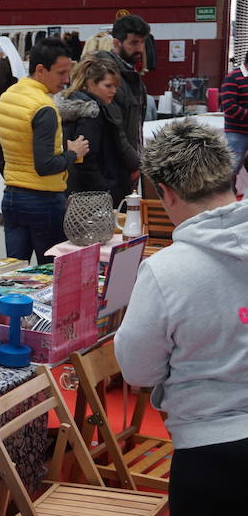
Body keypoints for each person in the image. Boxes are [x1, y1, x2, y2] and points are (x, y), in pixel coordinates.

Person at [114, 119, 248, 516]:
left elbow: (137, 370)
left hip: (213, 452)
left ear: (167, 194)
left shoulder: (167, 270)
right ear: (232, 178)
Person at [0, 38, 90, 264]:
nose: (66, 80)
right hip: (44, 201)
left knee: (14, 273)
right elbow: (45, 166)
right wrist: (73, 153)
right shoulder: (44, 108)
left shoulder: (7, 97)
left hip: (12, 198)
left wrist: (17, 181)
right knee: (48, 274)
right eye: (61, 73)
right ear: (40, 69)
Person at [54, 55, 131, 205]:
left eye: (115, 86)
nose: (114, 91)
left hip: (76, 189)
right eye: (108, 86)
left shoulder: (73, 107)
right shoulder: (91, 112)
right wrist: (105, 191)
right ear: (90, 84)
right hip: (94, 194)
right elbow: (86, 160)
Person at [97, 15, 150, 187]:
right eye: (133, 43)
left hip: (126, 164)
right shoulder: (107, 77)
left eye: (142, 42)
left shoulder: (133, 76)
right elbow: (115, 130)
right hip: (112, 168)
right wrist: (133, 163)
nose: (140, 48)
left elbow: (135, 125)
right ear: (116, 43)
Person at [219, 51, 248, 176]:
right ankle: (229, 194)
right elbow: (229, 107)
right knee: (231, 169)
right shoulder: (233, 78)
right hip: (237, 133)